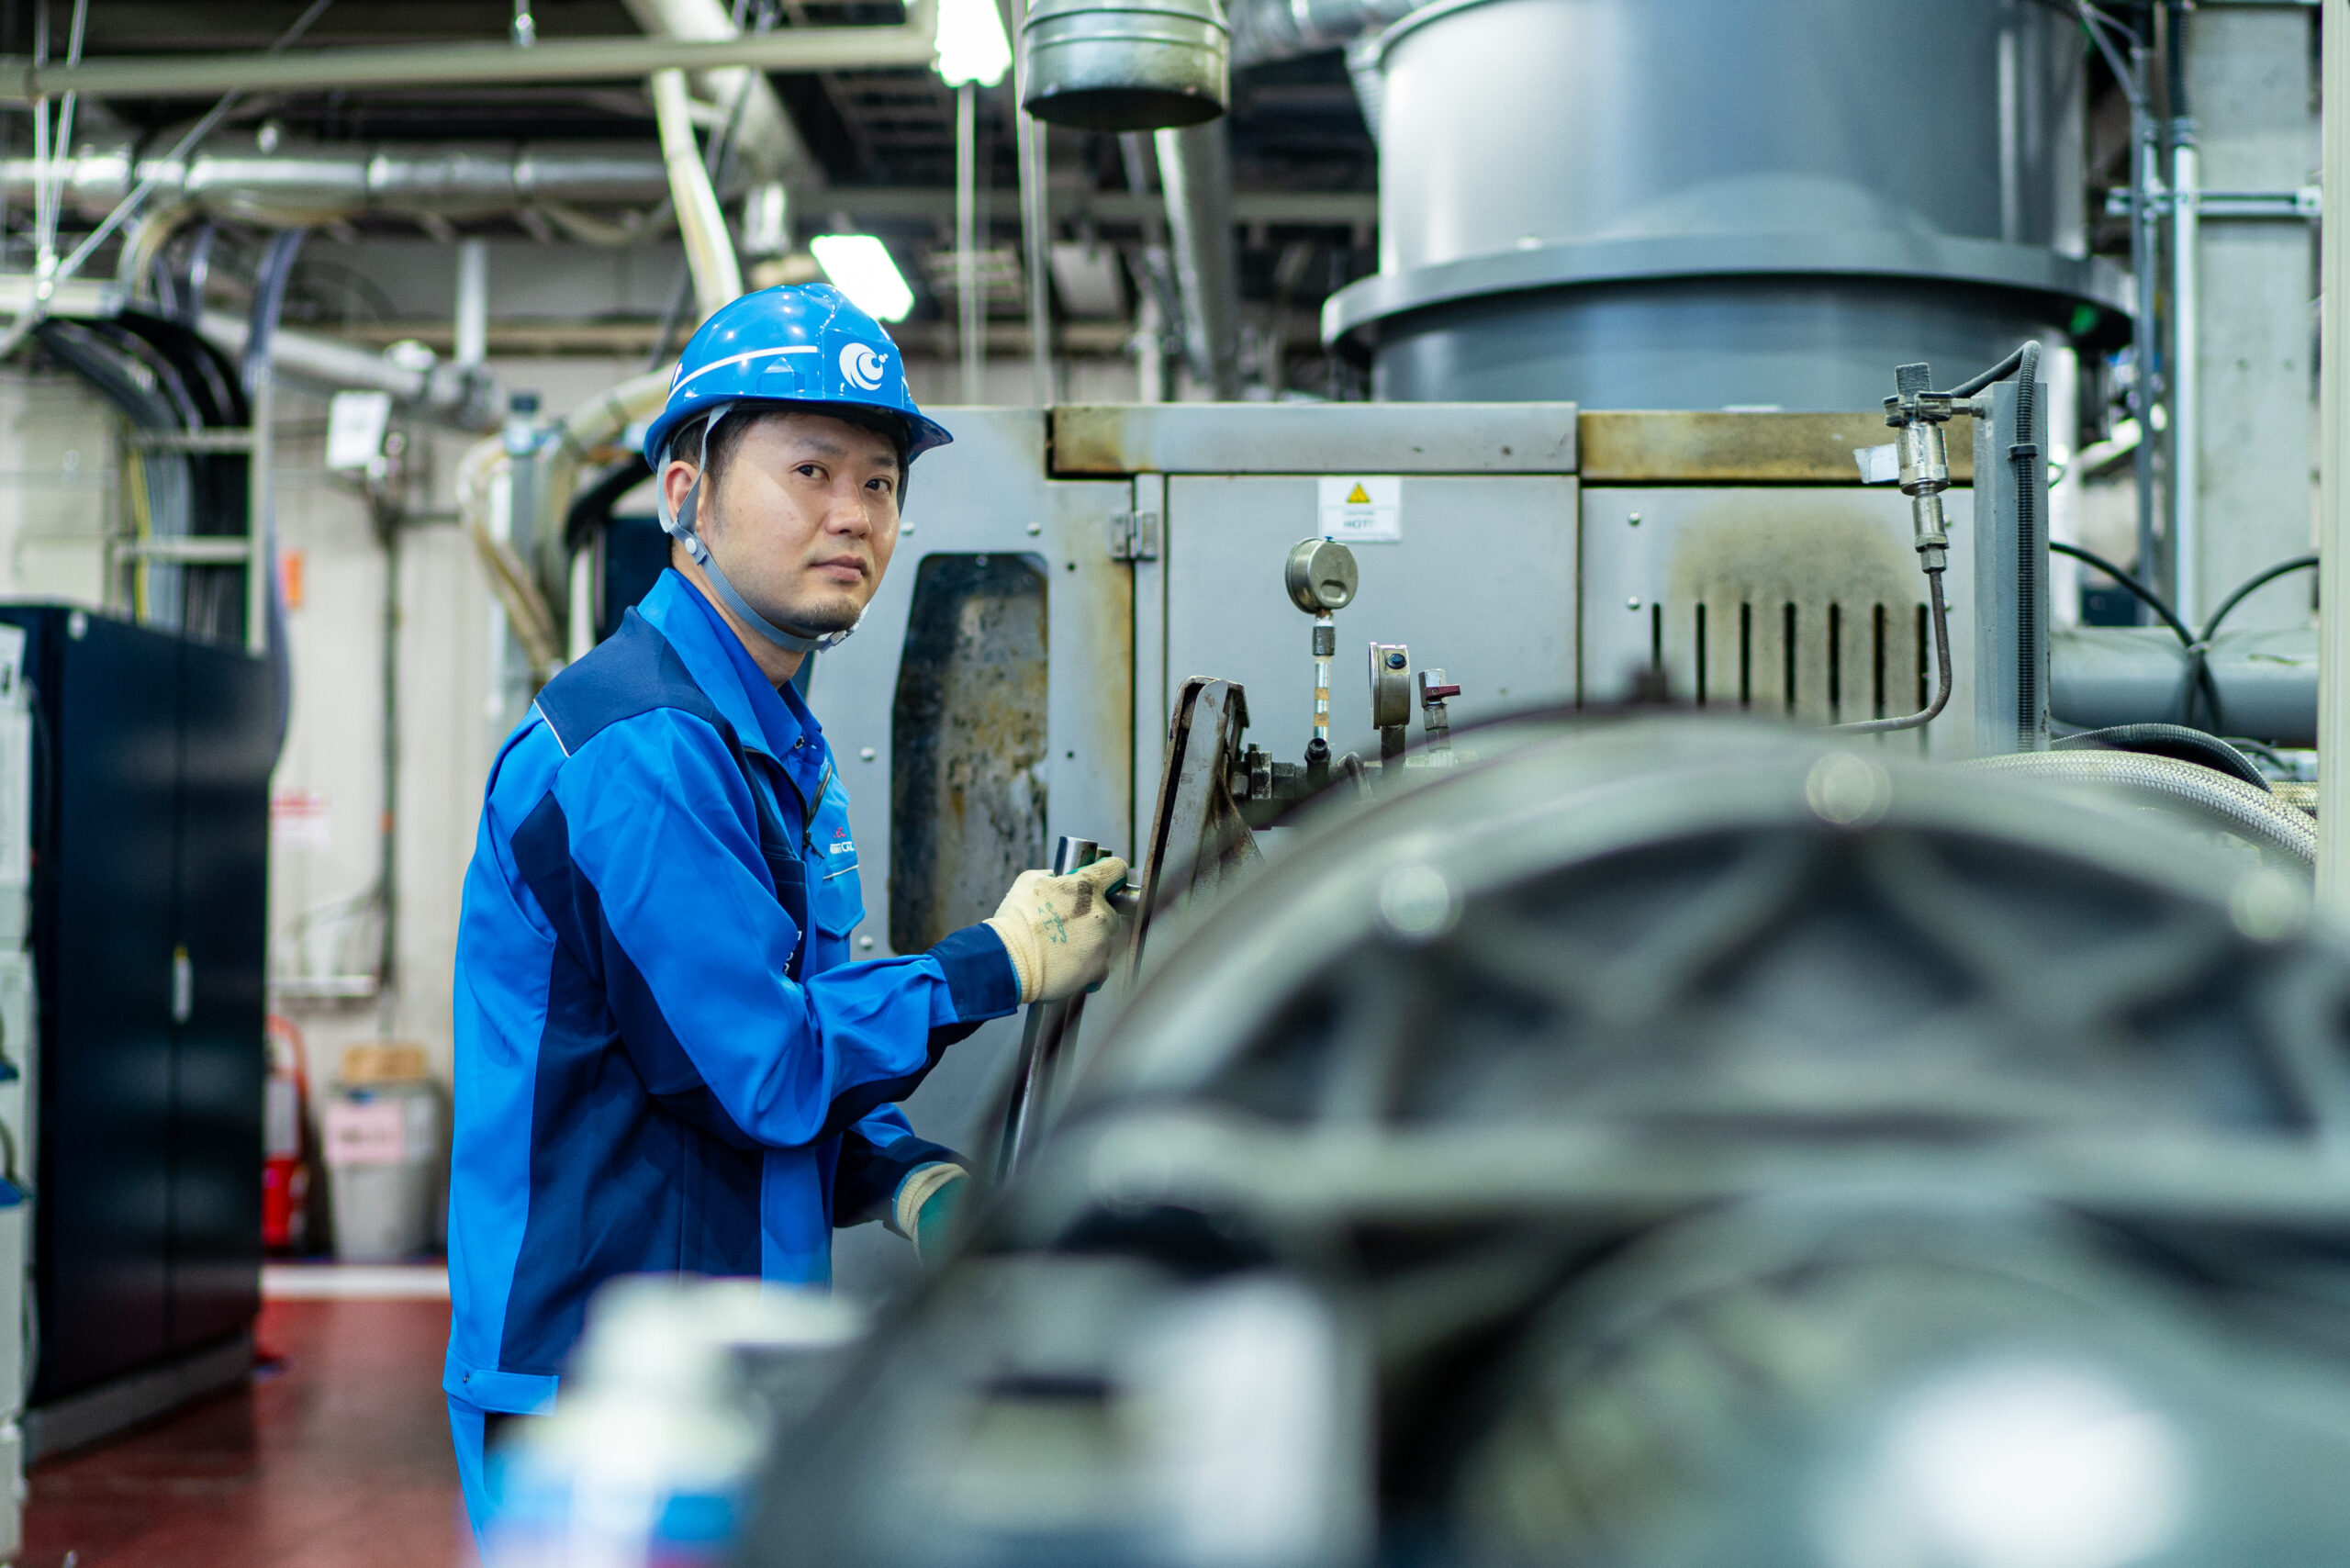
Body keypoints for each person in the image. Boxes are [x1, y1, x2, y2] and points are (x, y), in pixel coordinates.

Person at [443, 283, 1127, 1533]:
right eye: (809, 470)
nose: (852, 516)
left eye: (878, 483)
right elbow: (759, 1069)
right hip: (598, 1385)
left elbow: (731, 1049)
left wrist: (902, 1175)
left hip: (721, 1343)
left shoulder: (767, 741)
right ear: (683, 492)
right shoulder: (643, 750)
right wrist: (995, 963)